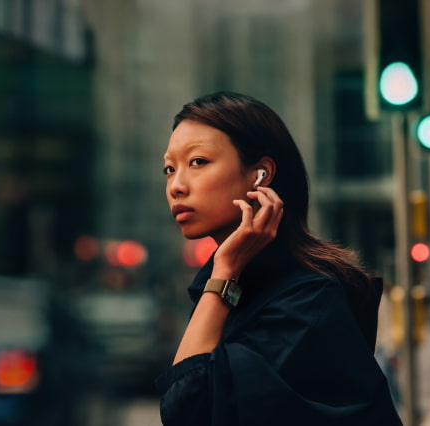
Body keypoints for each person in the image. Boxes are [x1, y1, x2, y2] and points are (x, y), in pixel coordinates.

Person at [155, 91, 402, 425]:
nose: (176, 186)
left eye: (197, 162)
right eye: (169, 169)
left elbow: (186, 409)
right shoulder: (238, 285)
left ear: (260, 175)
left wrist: (225, 271)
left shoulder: (307, 299)